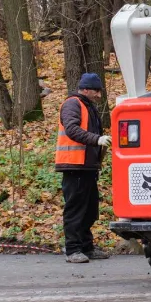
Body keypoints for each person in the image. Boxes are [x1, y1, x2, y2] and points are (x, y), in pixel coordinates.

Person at [55, 73, 111, 263]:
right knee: (76, 209)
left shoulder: (87, 106)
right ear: (85, 89)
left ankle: (86, 247)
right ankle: (72, 250)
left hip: (86, 167)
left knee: (89, 210)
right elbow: (72, 129)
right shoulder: (73, 104)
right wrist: (97, 139)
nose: (99, 95)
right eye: (96, 91)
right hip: (74, 165)